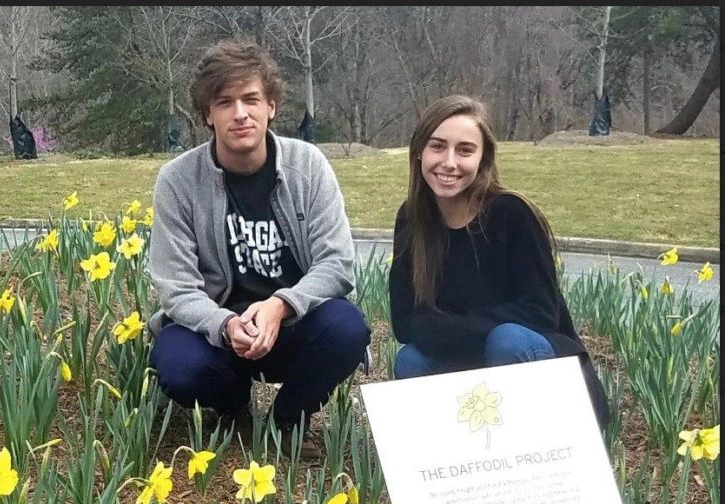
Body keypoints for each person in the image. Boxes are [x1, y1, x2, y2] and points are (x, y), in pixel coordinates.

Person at [147, 40, 371, 458]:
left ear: (271, 106)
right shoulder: (178, 180)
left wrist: (281, 305)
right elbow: (176, 288)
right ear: (206, 116)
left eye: (251, 99)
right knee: (175, 361)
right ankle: (236, 412)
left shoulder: (308, 165)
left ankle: (288, 421)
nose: (240, 114)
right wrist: (226, 324)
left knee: (346, 328)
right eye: (224, 102)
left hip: (292, 325)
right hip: (219, 335)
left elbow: (337, 264)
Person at [388, 95, 610, 430]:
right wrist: (463, 332)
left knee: (507, 340)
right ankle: (462, 453)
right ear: (419, 151)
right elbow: (406, 323)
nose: (449, 162)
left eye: (465, 150)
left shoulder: (511, 214)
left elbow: (540, 313)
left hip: (544, 371)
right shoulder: (413, 219)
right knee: (411, 360)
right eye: (437, 146)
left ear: (483, 158)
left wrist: (453, 327)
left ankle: (539, 441)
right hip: (472, 365)